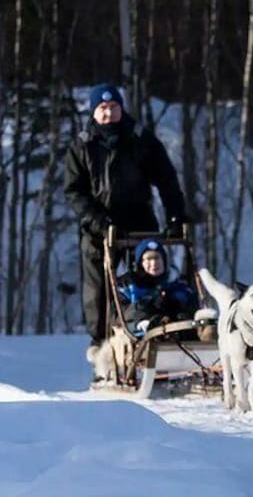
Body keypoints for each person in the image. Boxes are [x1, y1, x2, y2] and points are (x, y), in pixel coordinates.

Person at [64, 83, 188, 349]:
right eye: (103, 108)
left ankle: (155, 331)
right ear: (94, 112)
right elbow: (74, 191)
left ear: (121, 108)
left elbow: (166, 179)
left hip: (139, 220)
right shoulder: (82, 145)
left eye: (114, 107)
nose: (108, 113)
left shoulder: (140, 138)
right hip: (100, 224)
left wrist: (176, 216)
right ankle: (102, 345)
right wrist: (99, 221)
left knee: (150, 275)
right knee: (99, 287)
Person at [118, 238, 198, 337]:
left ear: (164, 260)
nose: (154, 263)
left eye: (157, 258)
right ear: (140, 263)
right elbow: (121, 315)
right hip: (140, 338)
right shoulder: (128, 288)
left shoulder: (180, 289)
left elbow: (193, 309)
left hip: (181, 337)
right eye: (148, 259)